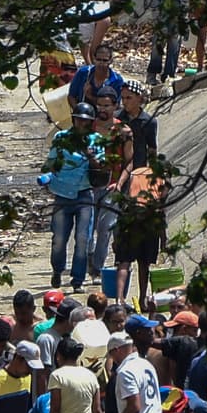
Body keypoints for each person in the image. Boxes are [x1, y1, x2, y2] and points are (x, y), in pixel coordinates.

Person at [43, 102, 106, 291]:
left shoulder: (96, 140)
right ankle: (57, 269)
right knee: (59, 238)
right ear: (73, 120)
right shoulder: (61, 137)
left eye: (86, 121)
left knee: (83, 239)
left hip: (84, 194)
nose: (82, 124)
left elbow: (102, 168)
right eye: (79, 120)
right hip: (62, 194)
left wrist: (90, 156)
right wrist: (50, 177)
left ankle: (77, 280)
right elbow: (51, 162)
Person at [114, 155, 170, 308]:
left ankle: (119, 299)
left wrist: (117, 237)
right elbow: (160, 209)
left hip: (129, 217)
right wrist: (164, 239)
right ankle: (142, 299)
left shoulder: (136, 172)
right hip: (149, 220)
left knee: (124, 262)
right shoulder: (162, 181)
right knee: (144, 263)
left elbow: (125, 198)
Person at [91, 88, 131, 277]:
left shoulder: (123, 132)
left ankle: (97, 268)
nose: (102, 109)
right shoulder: (88, 128)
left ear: (115, 106)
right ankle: (88, 260)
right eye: (99, 105)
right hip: (89, 186)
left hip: (112, 186)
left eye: (106, 105)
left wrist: (120, 184)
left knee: (105, 229)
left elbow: (129, 162)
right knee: (86, 232)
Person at [37, 298, 84, 393]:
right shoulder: (46, 339)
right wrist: (44, 400)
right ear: (69, 321)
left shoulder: (69, 337)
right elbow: (42, 375)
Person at [66, 45, 125, 109]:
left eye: (105, 60)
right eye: (98, 59)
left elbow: (115, 107)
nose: (101, 63)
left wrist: (90, 96)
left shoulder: (116, 80)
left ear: (110, 61)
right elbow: (71, 96)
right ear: (94, 59)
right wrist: (78, 111)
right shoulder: (83, 73)